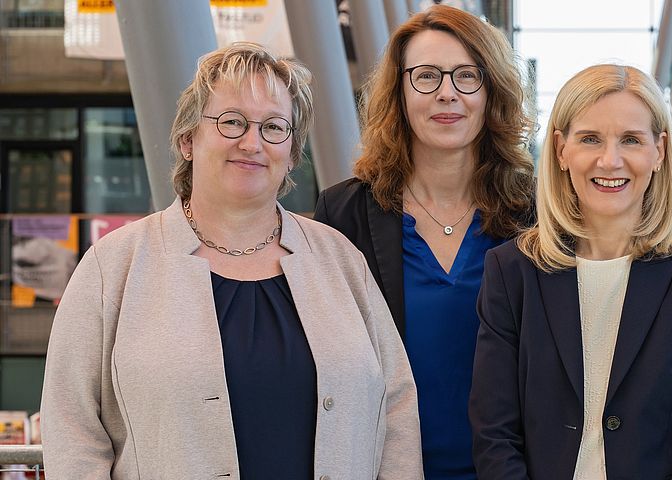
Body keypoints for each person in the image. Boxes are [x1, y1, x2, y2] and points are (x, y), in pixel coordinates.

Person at [40, 43, 423, 479]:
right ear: (187, 140)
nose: (252, 143)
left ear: (292, 154)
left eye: (274, 127)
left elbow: (396, 408)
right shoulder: (113, 267)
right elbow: (72, 429)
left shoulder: (340, 260)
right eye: (232, 122)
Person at [469, 64, 672, 479]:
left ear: (659, 151)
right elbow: (494, 436)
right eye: (590, 138)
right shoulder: (511, 271)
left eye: (631, 140)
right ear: (561, 149)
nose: (610, 161)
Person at [312, 6, 534, 479]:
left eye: (466, 76)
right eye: (427, 76)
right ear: (399, 92)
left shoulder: (535, 215)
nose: (447, 93)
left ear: (491, 91)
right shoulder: (345, 214)